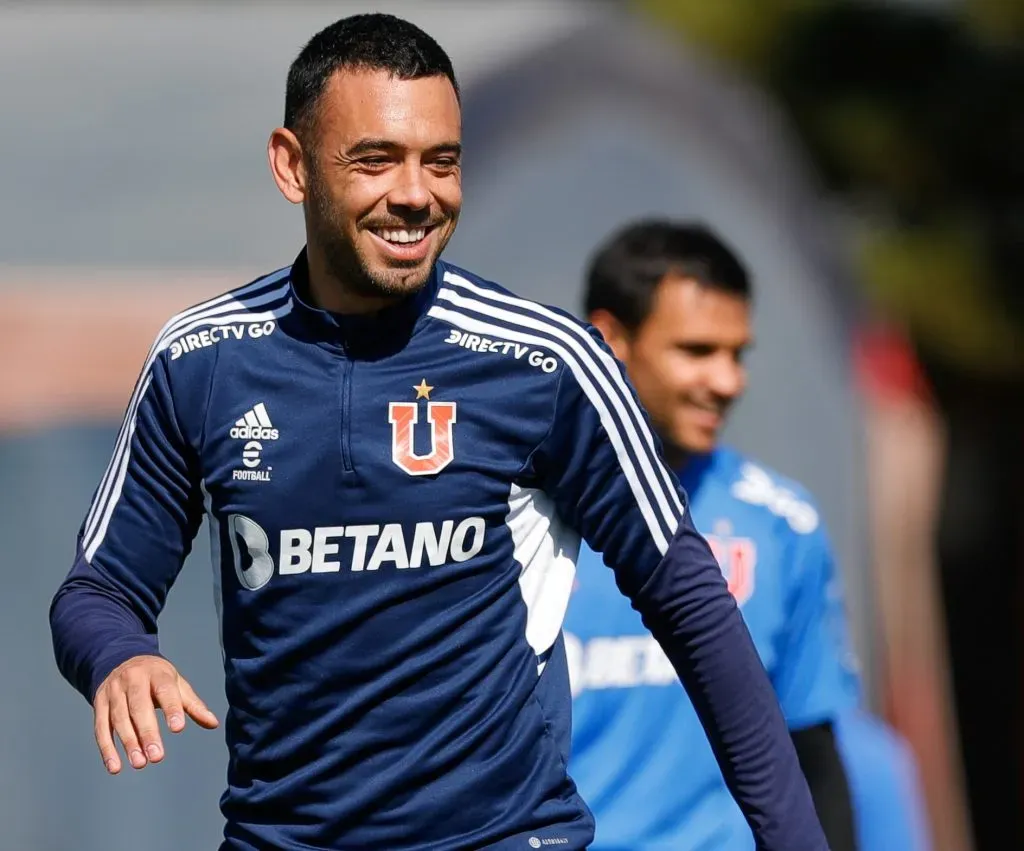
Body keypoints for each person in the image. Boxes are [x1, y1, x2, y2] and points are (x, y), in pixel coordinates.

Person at [48, 15, 828, 851]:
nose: (416, 193)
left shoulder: (542, 359)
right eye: (376, 159)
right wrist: (119, 656)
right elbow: (97, 593)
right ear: (292, 164)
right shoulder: (202, 361)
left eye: (441, 161)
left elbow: (694, 607)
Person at [564, 219, 931, 850]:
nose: (729, 382)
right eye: (697, 351)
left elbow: (813, 756)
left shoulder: (784, 524)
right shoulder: (515, 520)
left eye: (738, 354)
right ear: (609, 339)